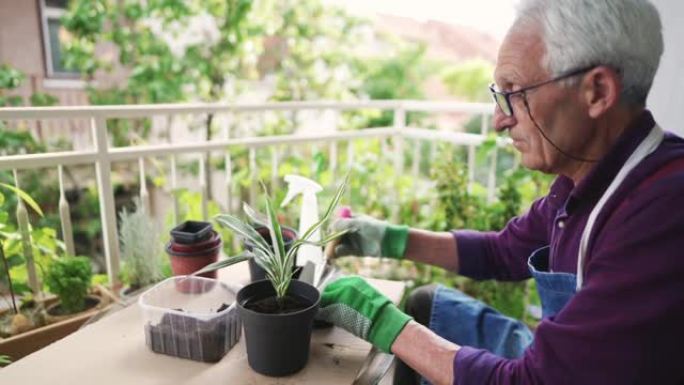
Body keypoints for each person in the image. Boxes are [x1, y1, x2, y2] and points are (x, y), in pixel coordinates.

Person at [315, 0, 684, 384]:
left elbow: (534, 381)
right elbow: (501, 252)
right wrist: (389, 239)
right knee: (428, 304)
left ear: (597, 91)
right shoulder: (585, 181)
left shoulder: (663, 213)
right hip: (567, 361)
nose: (499, 120)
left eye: (515, 92)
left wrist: (383, 324)